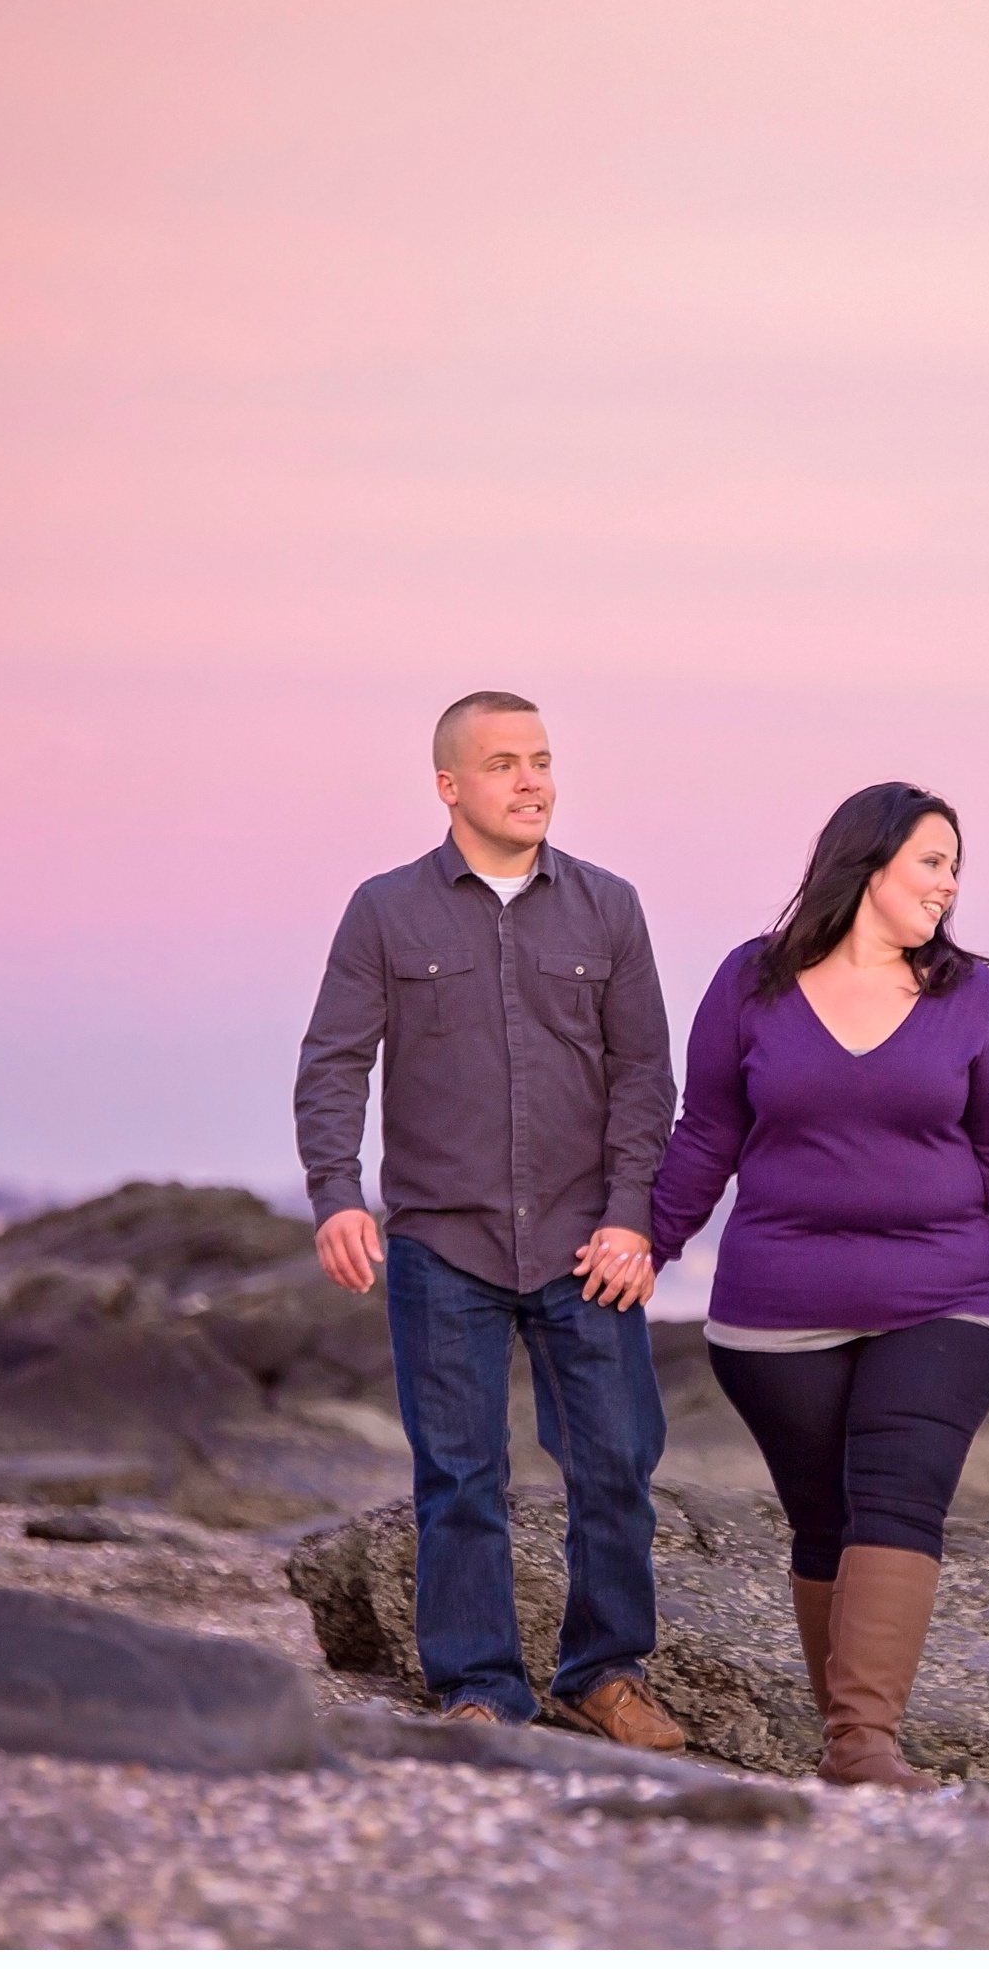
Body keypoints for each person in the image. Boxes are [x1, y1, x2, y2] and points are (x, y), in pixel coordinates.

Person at [648, 782, 989, 1790]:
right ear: (868, 864)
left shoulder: (969, 996)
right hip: (774, 1309)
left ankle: (863, 1748)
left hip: (942, 1295)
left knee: (896, 1496)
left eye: (954, 864)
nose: (949, 884)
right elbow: (705, 1133)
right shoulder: (751, 983)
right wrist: (647, 1244)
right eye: (932, 860)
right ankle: (850, 1742)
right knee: (822, 1521)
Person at [294, 690, 686, 1750]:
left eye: (543, 759)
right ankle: (481, 1687)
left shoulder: (609, 907)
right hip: (443, 1243)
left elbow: (646, 1078)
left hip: (584, 1243)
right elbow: (334, 1061)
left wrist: (630, 1219)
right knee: (459, 1475)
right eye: (506, 762)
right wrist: (338, 1195)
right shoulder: (386, 910)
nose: (532, 781)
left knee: (615, 1460)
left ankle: (602, 1674)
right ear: (450, 785)